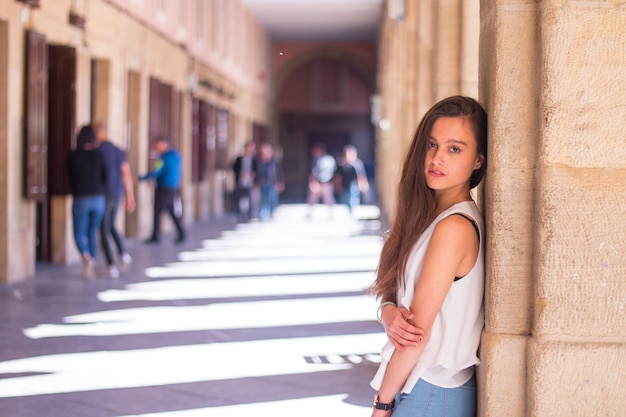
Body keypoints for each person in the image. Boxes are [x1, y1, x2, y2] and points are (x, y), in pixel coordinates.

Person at [369, 96, 487, 417]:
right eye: (432, 145)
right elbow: (397, 295)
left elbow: (417, 334)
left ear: (478, 160)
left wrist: (382, 404)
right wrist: (389, 311)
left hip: (432, 392)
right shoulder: (432, 217)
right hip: (422, 387)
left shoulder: (454, 227)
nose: (436, 158)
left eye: (454, 149)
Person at [94, 122, 135, 278]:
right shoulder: (118, 151)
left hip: (103, 194)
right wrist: (130, 196)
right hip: (116, 194)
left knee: (104, 229)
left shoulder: (97, 152)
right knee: (111, 226)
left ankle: (111, 265)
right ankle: (123, 254)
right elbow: (126, 174)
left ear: (98, 133)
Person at [67, 125, 107, 280]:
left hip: (81, 197)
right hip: (98, 198)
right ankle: (93, 259)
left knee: (78, 233)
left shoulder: (73, 156)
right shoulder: (99, 155)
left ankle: (86, 256)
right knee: (92, 231)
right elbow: (105, 176)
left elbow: (70, 177)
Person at [138, 137, 186, 244]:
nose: (156, 147)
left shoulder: (164, 158)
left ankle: (156, 236)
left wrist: (141, 178)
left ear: (164, 144)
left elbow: (156, 172)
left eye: (157, 145)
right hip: (174, 187)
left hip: (164, 187)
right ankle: (182, 233)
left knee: (158, 211)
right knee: (171, 211)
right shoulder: (177, 155)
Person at [335, 144, 369, 213]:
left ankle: (352, 211)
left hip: (354, 186)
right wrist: (337, 185)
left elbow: (361, 176)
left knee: (353, 200)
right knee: (344, 199)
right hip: (344, 185)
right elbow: (338, 176)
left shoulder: (357, 164)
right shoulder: (341, 164)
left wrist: (364, 185)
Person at [255, 143, 284, 221]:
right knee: (263, 199)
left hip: (272, 183)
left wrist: (280, 182)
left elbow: (279, 172)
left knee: (272, 198)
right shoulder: (258, 162)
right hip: (262, 183)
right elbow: (256, 172)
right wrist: (256, 181)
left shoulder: (274, 162)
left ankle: (271, 213)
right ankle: (264, 214)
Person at [306, 143, 336, 215]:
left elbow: (315, 172)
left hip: (323, 182)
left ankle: (331, 213)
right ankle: (310, 212)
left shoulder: (321, 159)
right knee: (313, 199)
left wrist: (313, 181)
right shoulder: (329, 159)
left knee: (328, 198)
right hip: (323, 182)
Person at [232, 141, 257, 222]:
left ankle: (249, 215)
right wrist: (240, 173)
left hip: (250, 182)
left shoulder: (254, 159)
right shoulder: (239, 159)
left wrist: (252, 175)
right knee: (241, 199)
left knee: (249, 199)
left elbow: (257, 170)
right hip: (241, 182)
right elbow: (234, 168)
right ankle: (241, 215)